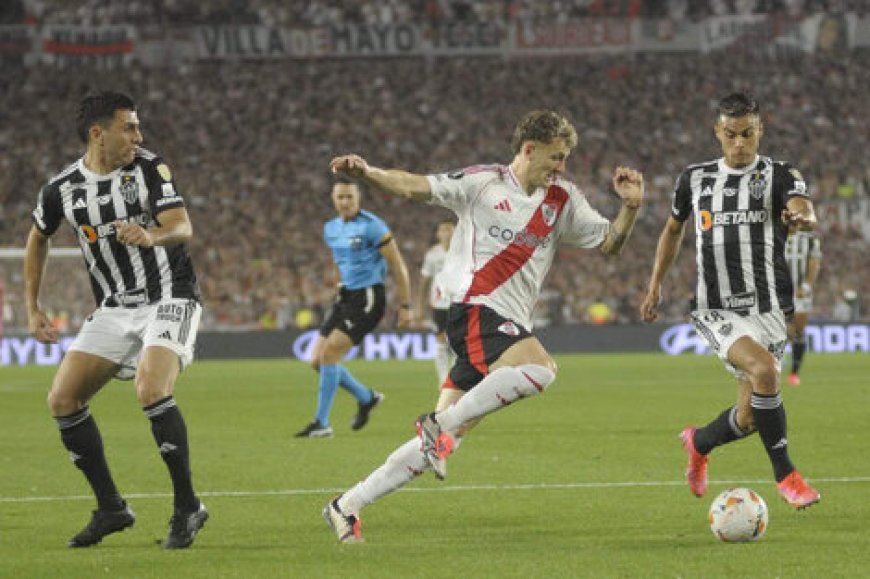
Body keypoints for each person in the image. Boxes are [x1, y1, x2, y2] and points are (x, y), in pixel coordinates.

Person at [322, 109, 644, 542]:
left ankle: (347, 505)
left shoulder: (562, 199)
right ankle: (436, 427)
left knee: (444, 440)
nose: (562, 167)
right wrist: (368, 172)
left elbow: (610, 244)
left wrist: (630, 209)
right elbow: (415, 185)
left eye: (565, 158)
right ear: (529, 149)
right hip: (475, 310)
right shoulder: (482, 184)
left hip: (504, 322)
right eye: (556, 156)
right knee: (541, 369)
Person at [24, 91, 208, 549]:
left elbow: (183, 226)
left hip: (170, 296)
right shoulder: (62, 189)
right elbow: (37, 238)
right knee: (63, 399)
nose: (138, 136)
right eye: (129, 127)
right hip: (114, 306)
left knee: (150, 388)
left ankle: (188, 507)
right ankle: (111, 508)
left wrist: (151, 235)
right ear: (97, 133)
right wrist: (33, 305)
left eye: (137, 127)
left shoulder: (149, 168)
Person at [640, 92, 821, 510]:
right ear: (717, 133)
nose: (740, 143)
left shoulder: (779, 174)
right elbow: (672, 231)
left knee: (752, 415)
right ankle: (788, 477)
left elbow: (804, 208)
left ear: (761, 131)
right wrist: (655, 286)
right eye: (731, 134)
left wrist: (801, 218)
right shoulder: (694, 178)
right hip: (715, 306)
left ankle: (698, 442)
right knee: (764, 370)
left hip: (769, 308)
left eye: (748, 134)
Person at [294, 179, 412, 438]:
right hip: (344, 296)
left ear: (358, 199)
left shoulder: (373, 227)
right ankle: (366, 397)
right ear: (333, 199)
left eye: (349, 197)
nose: (345, 202)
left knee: (329, 355)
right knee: (316, 360)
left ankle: (321, 423)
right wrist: (337, 283)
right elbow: (340, 260)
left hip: (368, 298)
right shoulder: (331, 228)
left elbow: (398, 266)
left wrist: (405, 305)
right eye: (340, 197)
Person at [418, 218, 456, 387]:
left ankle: (456, 378)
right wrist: (420, 306)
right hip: (440, 303)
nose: (447, 233)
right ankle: (443, 379)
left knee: (458, 340)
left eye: (450, 229)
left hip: (459, 301)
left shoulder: (464, 252)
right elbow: (425, 281)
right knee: (441, 339)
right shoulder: (433, 255)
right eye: (443, 230)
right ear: (438, 234)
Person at [784, 228, 822, 386]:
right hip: (780, 292)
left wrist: (806, 287)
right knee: (780, 328)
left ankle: (794, 372)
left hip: (800, 293)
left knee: (798, 331)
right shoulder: (775, 235)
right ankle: (774, 363)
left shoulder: (810, 240)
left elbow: (814, 265)